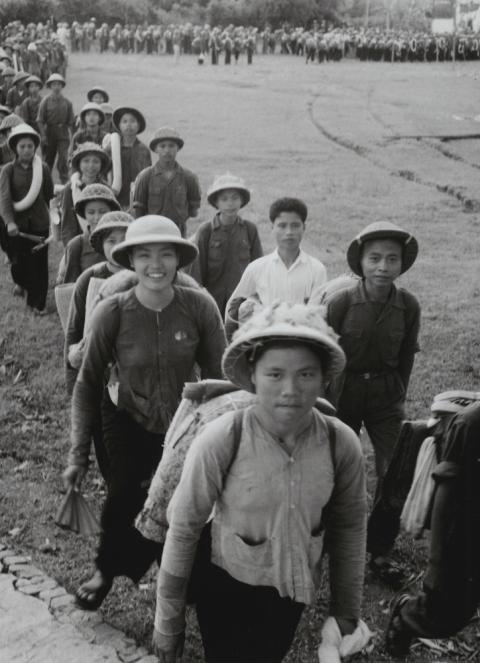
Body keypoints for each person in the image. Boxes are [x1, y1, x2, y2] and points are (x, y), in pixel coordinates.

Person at [152, 301, 368, 663]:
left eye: (305, 374)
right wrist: (168, 621)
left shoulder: (340, 442)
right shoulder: (223, 437)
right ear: (252, 375)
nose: (290, 389)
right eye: (275, 374)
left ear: (323, 378)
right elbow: (184, 527)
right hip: (225, 585)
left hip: (289, 593)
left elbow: (350, 526)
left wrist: (345, 613)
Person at [63, 214, 226, 611]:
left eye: (166, 254)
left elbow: (222, 376)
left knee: (188, 502)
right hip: (124, 415)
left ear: (179, 258)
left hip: (182, 420)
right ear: (130, 260)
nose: (156, 264)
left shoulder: (199, 306)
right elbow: (86, 384)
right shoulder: (113, 311)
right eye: (145, 255)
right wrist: (77, 454)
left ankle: (185, 577)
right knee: (123, 495)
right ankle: (106, 569)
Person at [326, 221, 420, 582]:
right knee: (338, 467)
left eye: (391, 259)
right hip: (343, 393)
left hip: (385, 398)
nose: (383, 266)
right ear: (361, 263)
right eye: (375, 258)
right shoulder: (342, 301)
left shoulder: (408, 305)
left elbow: (407, 354)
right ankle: (335, 538)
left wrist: (397, 391)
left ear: (401, 265)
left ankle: (379, 549)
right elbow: (326, 353)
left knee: (394, 469)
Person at [385, 397, 480, 658]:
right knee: (447, 615)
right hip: (467, 534)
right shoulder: (471, 423)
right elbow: (445, 499)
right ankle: (406, 617)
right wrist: (437, 565)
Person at [225, 197, 327, 335]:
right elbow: (233, 308)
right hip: (265, 342)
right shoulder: (257, 268)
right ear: (272, 228)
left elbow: (317, 315)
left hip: (303, 342)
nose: (289, 232)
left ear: (304, 227)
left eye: (295, 225)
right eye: (282, 225)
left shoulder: (316, 269)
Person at [189, 173, 263, 316]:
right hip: (211, 303)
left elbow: (259, 268)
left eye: (235, 198)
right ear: (216, 203)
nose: (230, 203)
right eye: (224, 199)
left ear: (242, 200)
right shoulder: (206, 231)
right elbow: (196, 273)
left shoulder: (249, 230)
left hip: (242, 303)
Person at [0, 123, 54, 314]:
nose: (26, 150)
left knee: (39, 265)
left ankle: (37, 303)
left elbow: (49, 195)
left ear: (35, 147)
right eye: (22, 146)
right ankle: (21, 283)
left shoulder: (44, 168)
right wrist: (9, 222)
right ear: (15, 148)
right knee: (18, 263)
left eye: (30, 146)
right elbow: (4, 199)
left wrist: (52, 218)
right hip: (16, 225)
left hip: (38, 224)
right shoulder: (7, 170)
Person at [132, 127, 200, 237]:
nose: (167, 150)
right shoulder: (146, 176)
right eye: (162, 146)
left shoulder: (189, 177)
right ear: (155, 149)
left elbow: (193, 211)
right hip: (152, 231)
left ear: (178, 148)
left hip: (178, 232)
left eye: (171, 146)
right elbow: (139, 211)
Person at [58, 183, 120, 284]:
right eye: (91, 212)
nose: (97, 217)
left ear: (111, 211)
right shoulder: (76, 245)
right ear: (84, 214)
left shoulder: (121, 241)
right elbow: (71, 287)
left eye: (102, 212)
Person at [60, 142, 111, 247]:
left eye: (96, 161)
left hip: (101, 241)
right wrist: (71, 247)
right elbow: (68, 224)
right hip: (78, 241)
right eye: (86, 161)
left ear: (101, 164)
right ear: (79, 164)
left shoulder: (105, 189)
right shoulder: (70, 189)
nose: (91, 166)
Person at [104, 106, 151, 210]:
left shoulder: (143, 150)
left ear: (139, 126)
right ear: (119, 126)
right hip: (115, 196)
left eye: (133, 121)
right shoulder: (112, 147)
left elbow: (146, 177)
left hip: (136, 198)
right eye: (124, 121)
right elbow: (102, 168)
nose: (128, 125)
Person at [37, 73, 75, 184]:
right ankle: (46, 182)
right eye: (54, 84)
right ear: (50, 86)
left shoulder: (67, 102)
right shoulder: (45, 101)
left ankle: (64, 180)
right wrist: (43, 135)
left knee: (63, 157)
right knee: (49, 158)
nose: (56, 87)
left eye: (59, 84)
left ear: (62, 86)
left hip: (62, 132)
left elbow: (71, 122)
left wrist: (72, 137)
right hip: (50, 132)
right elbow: (40, 120)